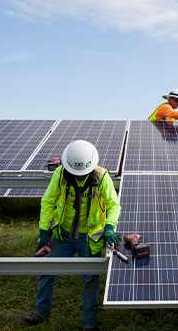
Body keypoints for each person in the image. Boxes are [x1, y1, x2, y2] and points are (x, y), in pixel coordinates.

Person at [22, 140, 120, 331]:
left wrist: (109, 226)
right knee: (47, 269)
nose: (80, 175)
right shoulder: (60, 174)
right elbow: (48, 201)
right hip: (62, 234)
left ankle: (89, 324)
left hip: (89, 238)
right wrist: (43, 231)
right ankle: (41, 312)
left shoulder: (102, 177)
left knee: (90, 279)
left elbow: (113, 205)